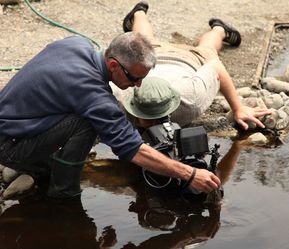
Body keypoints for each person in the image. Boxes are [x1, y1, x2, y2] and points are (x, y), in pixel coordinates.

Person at [0, 32, 221, 200]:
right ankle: (64, 193)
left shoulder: (76, 43)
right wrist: (189, 173)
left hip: (11, 123)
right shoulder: (94, 95)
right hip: (9, 145)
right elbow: (132, 150)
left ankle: (44, 169)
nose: (138, 85)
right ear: (114, 65)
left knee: (82, 119)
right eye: (134, 78)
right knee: (86, 123)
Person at [114, 1, 271, 128]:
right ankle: (139, 12)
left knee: (206, 50)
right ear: (133, 104)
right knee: (143, 39)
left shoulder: (190, 99)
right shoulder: (121, 98)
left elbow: (215, 67)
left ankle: (220, 29)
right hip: (152, 57)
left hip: (186, 59)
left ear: (171, 105)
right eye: (147, 118)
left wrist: (238, 108)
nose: (155, 124)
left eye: (158, 117)